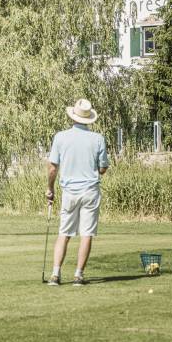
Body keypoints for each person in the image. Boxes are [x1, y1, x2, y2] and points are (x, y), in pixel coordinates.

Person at [45, 98, 109, 286]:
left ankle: (55, 275)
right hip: (90, 191)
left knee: (64, 233)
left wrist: (50, 189)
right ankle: (78, 276)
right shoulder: (98, 139)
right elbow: (103, 168)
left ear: (73, 116)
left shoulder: (61, 137)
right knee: (86, 233)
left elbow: (52, 168)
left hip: (69, 192)